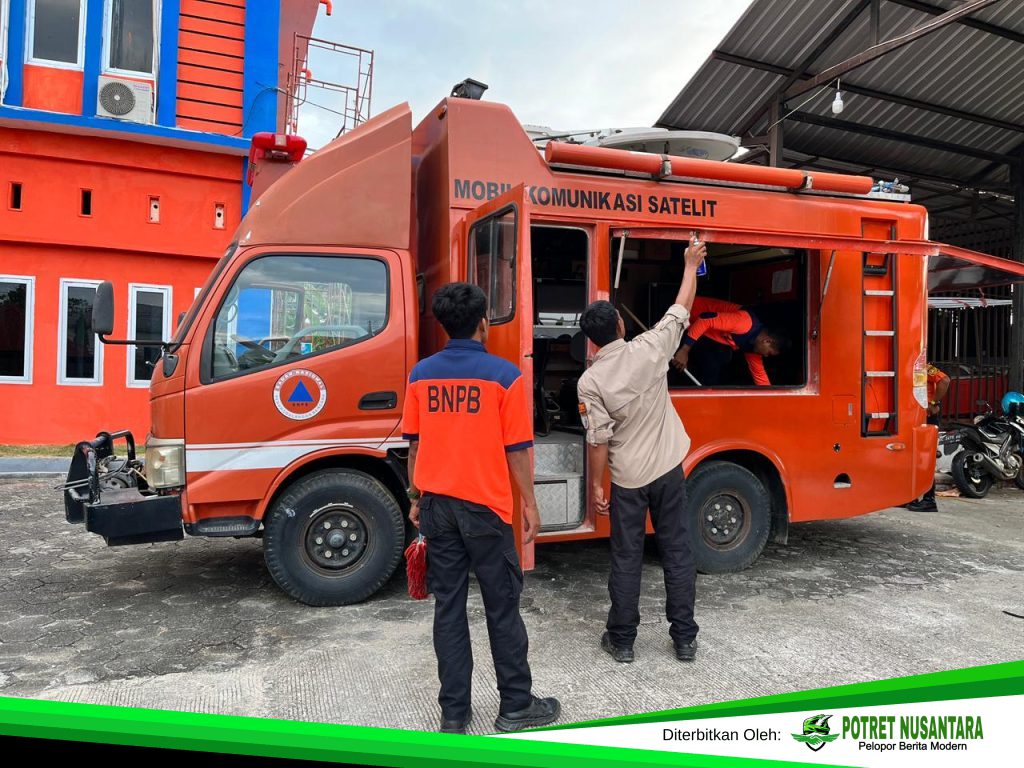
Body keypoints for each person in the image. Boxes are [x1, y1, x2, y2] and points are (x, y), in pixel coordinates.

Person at [402, 282, 560, 734]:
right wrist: (530, 504)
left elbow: (415, 445)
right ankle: (515, 706)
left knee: (448, 609)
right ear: (483, 324)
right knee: (502, 607)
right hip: (486, 511)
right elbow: (517, 450)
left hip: (437, 506)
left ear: (443, 325)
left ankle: (454, 714)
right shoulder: (504, 376)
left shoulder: (421, 375)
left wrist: (415, 496)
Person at [576, 235, 706, 665]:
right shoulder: (651, 347)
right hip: (669, 470)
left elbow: (598, 439)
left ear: (592, 341)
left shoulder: (590, 382)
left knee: (626, 558)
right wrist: (690, 266)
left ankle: (622, 641)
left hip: (628, 480)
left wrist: (598, 486)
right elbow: (681, 308)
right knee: (677, 551)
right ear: (619, 326)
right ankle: (684, 638)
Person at [670, 296, 789, 386]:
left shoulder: (752, 346)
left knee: (716, 365)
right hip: (685, 311)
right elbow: (705, 319)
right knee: (718, 358)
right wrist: (684, 350)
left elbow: (760, 376)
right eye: (769, 353)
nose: (766, 356)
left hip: (700, 333)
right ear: (767, 341)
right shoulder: (744, 323)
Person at [905, 363, 950, 512]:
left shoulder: (923, 367)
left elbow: (944, 380)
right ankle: (910, 497)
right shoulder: (907, 366)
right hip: (915, 417)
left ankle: (929, 500)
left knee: (925, 458)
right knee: (913, 459)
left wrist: (933, 402)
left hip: (927, 417)